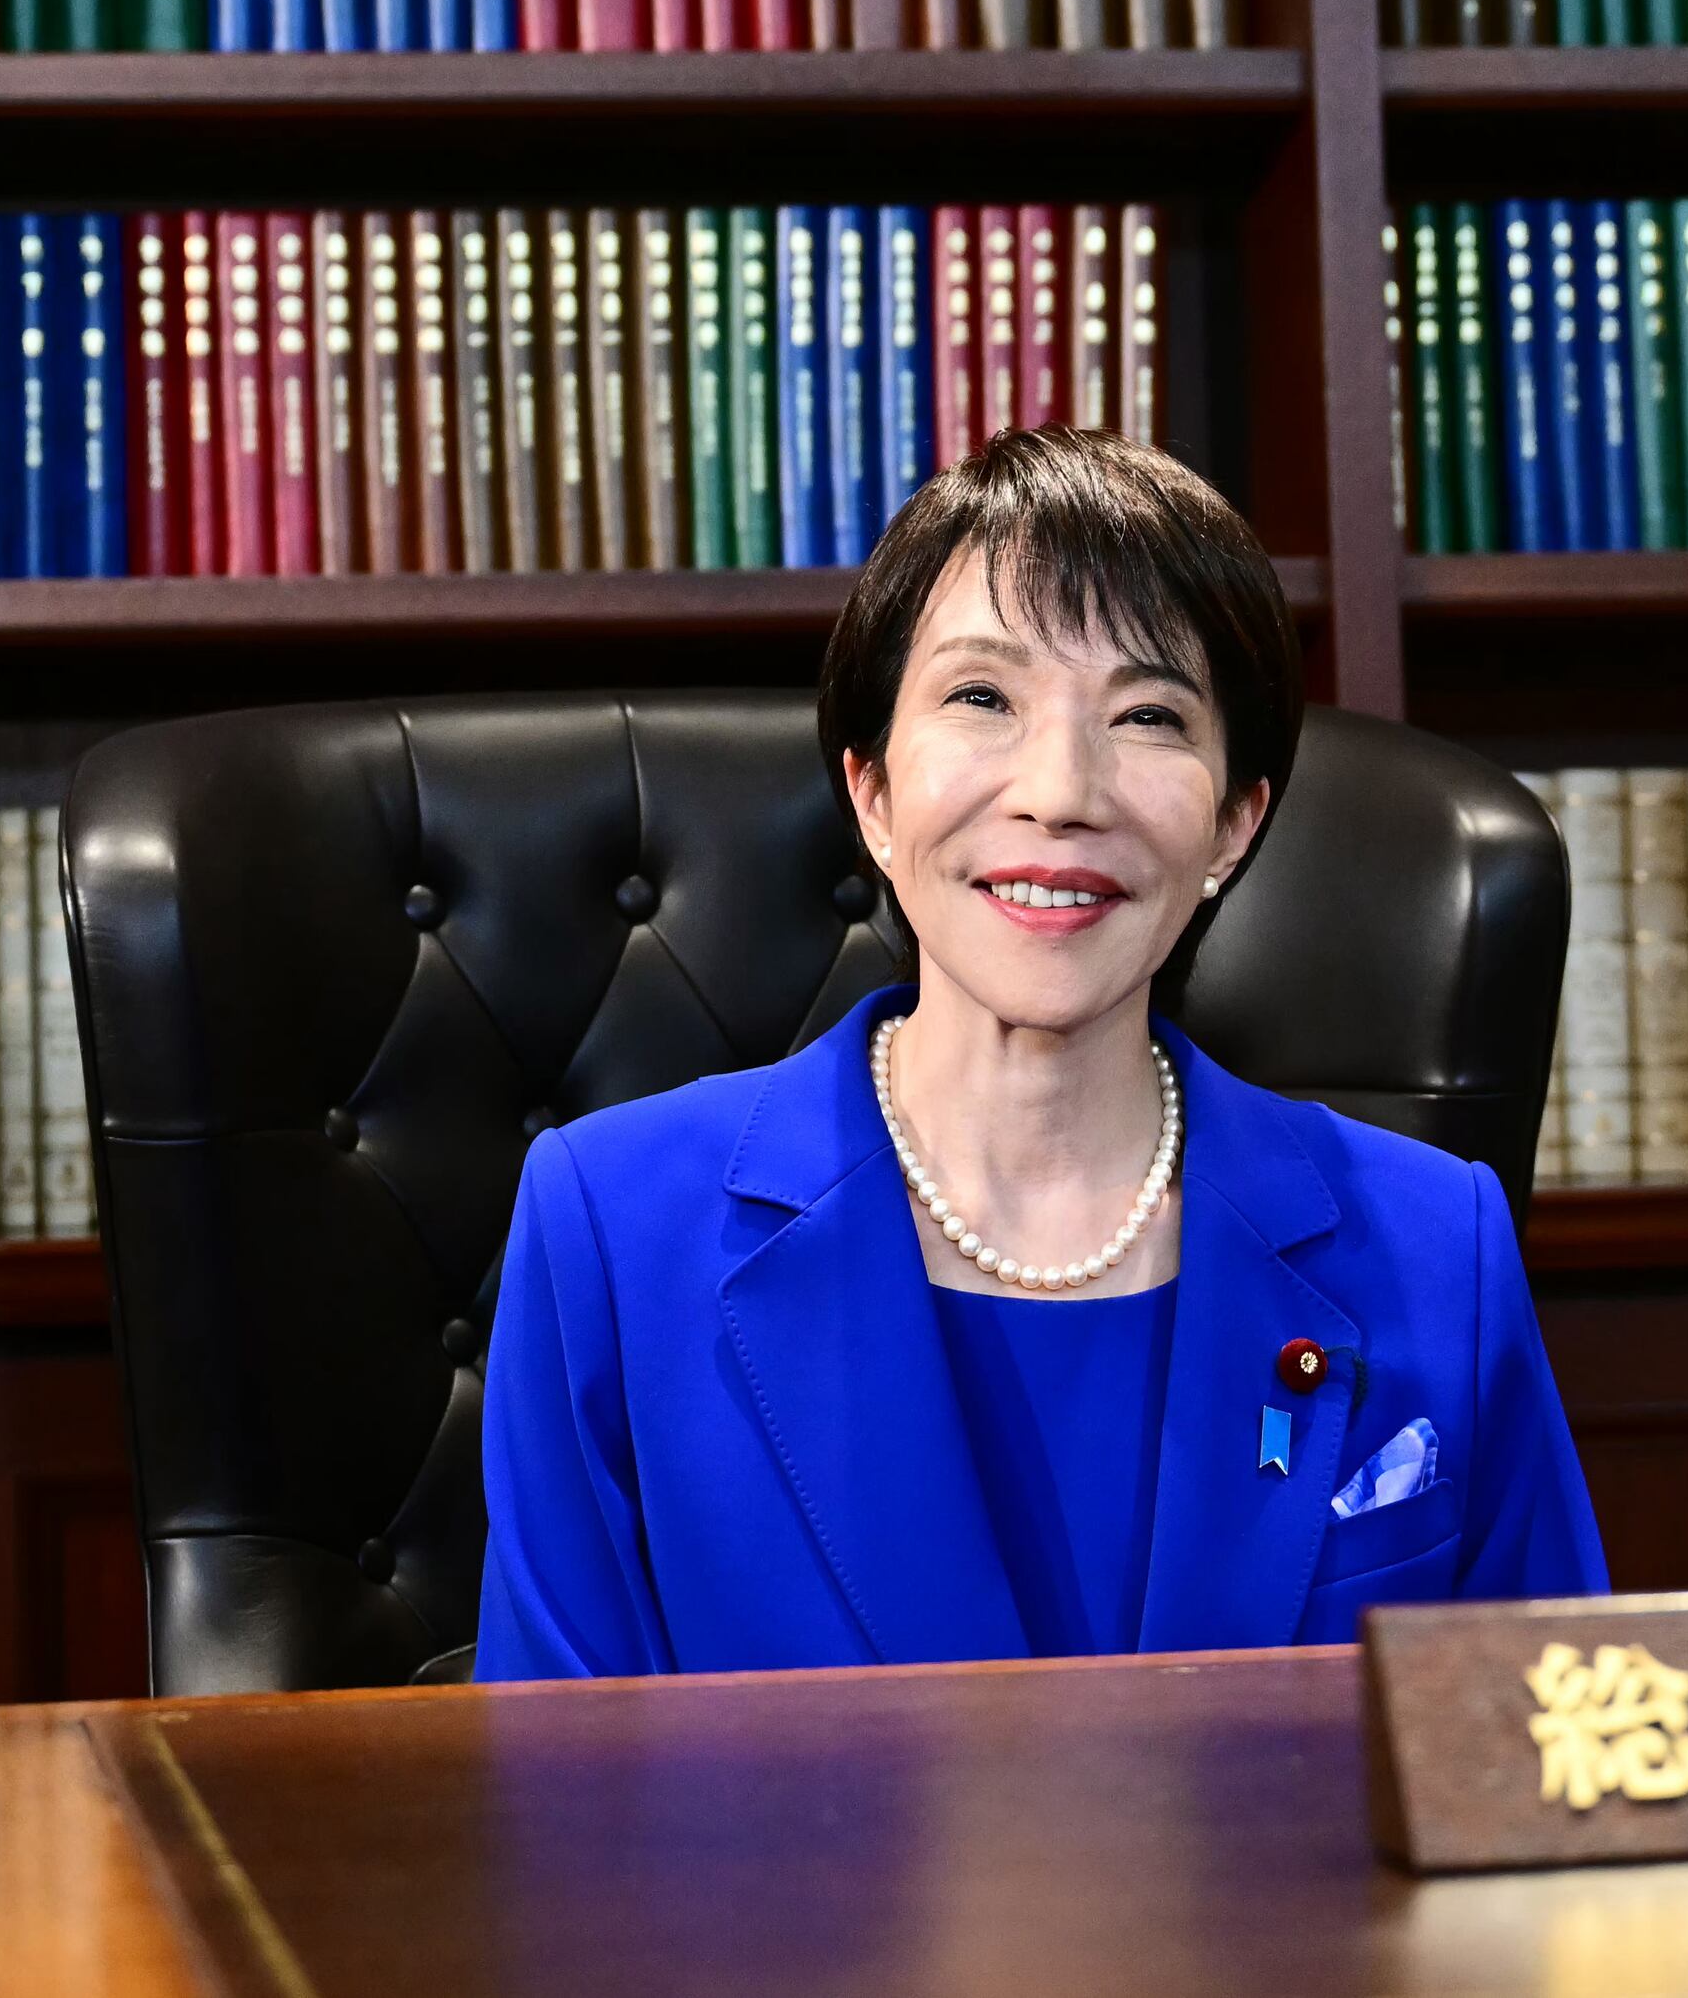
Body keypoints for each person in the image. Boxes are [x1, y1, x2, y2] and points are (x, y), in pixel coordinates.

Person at [477, 426, 1607, 1678]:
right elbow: (556, 1816)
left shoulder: (1435, 1239)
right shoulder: (612, 1225)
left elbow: (1543, 1769)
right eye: (981, 698)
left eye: (1147, 714)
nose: (1061, 789)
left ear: (1236, 823)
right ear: (872, 794)